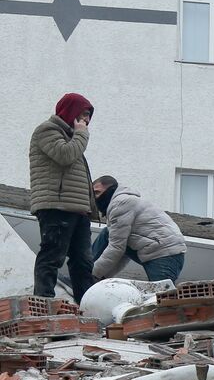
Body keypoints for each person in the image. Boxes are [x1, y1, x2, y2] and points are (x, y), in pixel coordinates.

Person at [29, 92, 97, 300]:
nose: (85, 120)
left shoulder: (72, 137)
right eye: (83, 114)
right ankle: (43, 302)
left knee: (83, 261)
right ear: (71, 112)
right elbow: (65, 156)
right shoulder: (47, 130)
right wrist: (82, 134)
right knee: (52, 256)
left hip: (77, 209)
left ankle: (85, 305)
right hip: (56, 206)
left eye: (88, 116)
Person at [89, 176, 185, 282]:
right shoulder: (123, 202)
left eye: (97, 193)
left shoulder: (120, 203)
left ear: (111, 189)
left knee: (160, 296)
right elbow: (122, 252)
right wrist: (100, 278)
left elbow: (116, 248)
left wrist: (90, 275)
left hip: (165, 254)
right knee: (109, 234)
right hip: (163, 251)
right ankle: (88, 277)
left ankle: (85, 274)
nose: (95, 198)